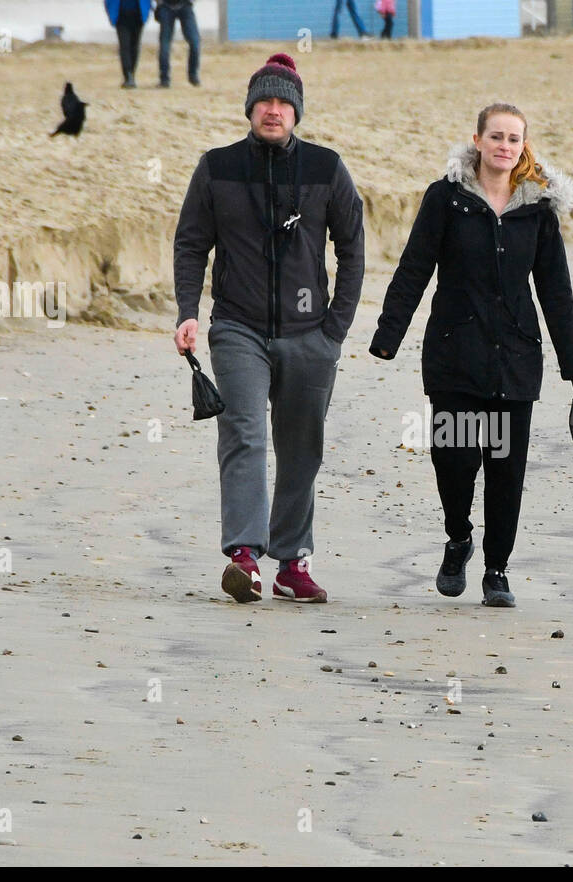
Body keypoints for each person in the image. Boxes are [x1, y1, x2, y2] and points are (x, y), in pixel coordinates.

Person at [368, 104, 573, 608]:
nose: (504, 146)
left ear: (523, 146)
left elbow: (556, 288)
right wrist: (389, 334)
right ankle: (459, 537)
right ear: (478, 140)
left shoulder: (537, 208)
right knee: (454, 460)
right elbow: (414, 267)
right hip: (454, 355)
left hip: (515, 358)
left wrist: (571, 364)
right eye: (496, 136)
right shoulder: (446, 198)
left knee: (506, 469)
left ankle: (497, 570)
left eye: (514, 138)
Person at [173, 53, 365, 603]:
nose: (273, 110)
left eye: (283, 102)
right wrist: (189, 311)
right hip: (237, 327)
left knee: (302, 446)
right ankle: (244, 556)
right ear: (250, 108)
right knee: (245, 434)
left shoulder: (327, 168)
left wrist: (335, 330)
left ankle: (291, 564)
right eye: (264, 100)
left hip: (311, 336)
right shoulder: (216, 166)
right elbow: (191, 244)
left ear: (297, 111)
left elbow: (353, 248)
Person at [105, 0, 152, 88]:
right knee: (124, 46)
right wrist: (111, 13)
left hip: (138, 14)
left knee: (134, 46)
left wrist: (148, 9)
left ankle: (131, 75)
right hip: (121, 15)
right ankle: (128, 75)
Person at [157, 0, 201, 87]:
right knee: (164, 44)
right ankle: (164, 79)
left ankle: (193, 75)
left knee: (195, 42)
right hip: (166, 5)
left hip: (185, 5)